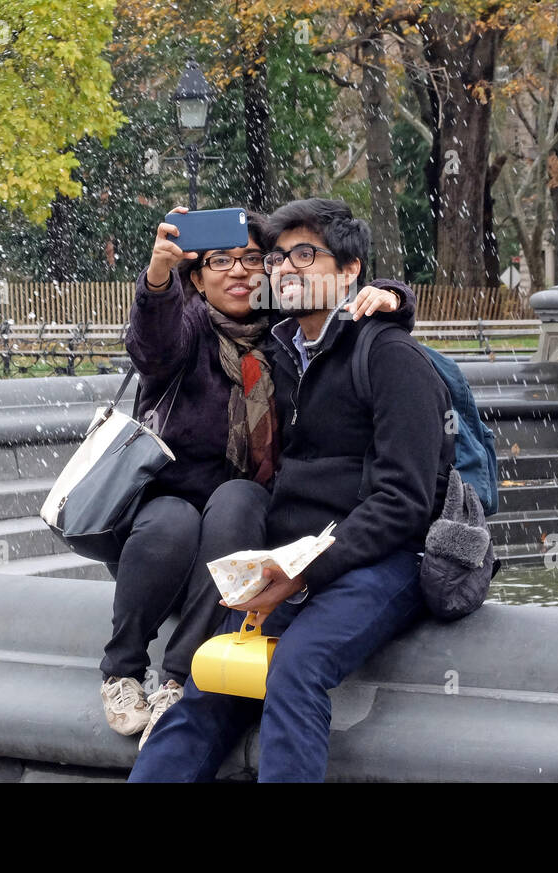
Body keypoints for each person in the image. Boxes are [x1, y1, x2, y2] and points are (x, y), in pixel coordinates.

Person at [129, 198, 454, 783]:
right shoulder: (280, 353)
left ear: (350, 270)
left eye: (307, 254)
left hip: (381, 559)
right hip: (290, 557)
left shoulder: (391, 357)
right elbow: (159, 348)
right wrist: (157, 277)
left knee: (296, 667)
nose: (286, 268)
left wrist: (305, 571)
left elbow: (405, 502)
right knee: (209, 685)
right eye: (277, 257)